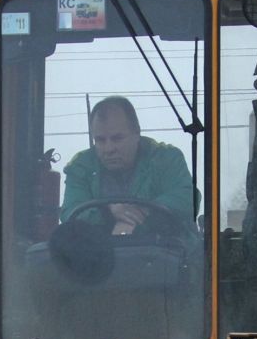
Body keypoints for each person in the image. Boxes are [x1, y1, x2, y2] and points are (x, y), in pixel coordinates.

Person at [60, 96, 196, 236]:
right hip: (100, 255)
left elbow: (188, 199)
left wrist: (138, 213)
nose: (108, 149)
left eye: (117, 138)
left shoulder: (166, 158)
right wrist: (108, 212)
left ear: (137, 133)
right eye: (100, 140)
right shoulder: (80, 167)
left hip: (167, 252)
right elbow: (70, 212)